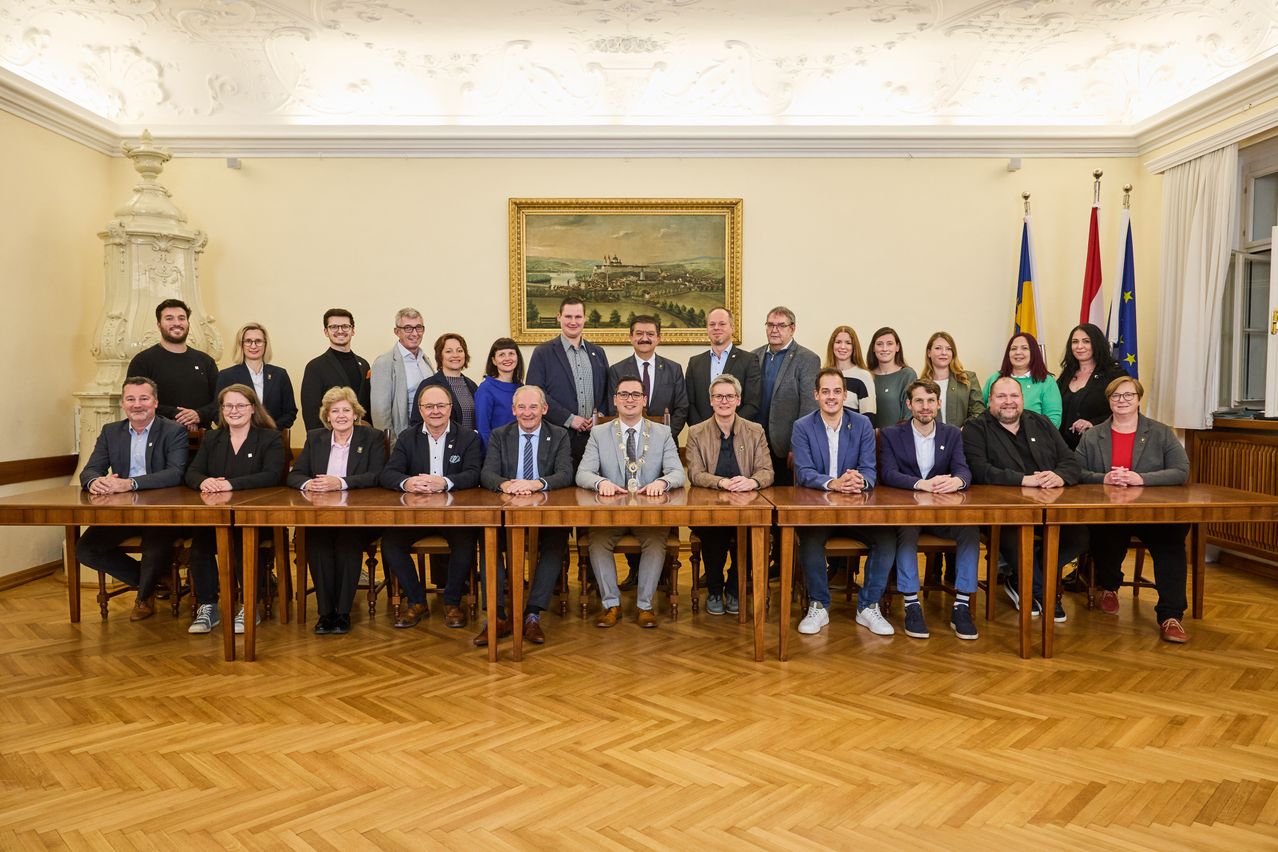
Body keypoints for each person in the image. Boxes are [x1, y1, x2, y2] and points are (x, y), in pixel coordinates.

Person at [1076, 377, 1192, 643]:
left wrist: (1142, 478)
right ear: (1109, 401)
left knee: (1172, 543)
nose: (1122, 401)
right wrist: (1102, 478)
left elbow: (1181, 470)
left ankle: (1170, 615)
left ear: (1139, 399)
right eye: (1116, 396)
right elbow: (1076, 470)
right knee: (1105, 534)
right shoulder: (1093, 436)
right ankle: (1109, 587)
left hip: (1155, 513)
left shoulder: (1161, 433)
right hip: (1111, 512)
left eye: (1128, 395)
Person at [963, 376, 1087, 621]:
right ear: (990, 401)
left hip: (1049, 504)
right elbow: (979, 470)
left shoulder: (1039, 422)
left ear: (1022, 399)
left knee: (1081, 536)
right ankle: (1044, 595)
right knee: (1017, 537)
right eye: (1001, 396)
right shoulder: (976, 429)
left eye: (1014, 396)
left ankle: (1020, 579)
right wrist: (1022, 479)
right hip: (1003, 511)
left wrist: (1059, 476)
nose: (1009, 402)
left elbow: (1070, 462)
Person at [791, 368, 895, 637]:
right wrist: (834, 483)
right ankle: (819, 605)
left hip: (856, 508)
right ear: (816, 395)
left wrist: (858, 481)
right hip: (819, 510)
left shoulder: (861, 424)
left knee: (886, 538)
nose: (831, 397)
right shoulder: (802, 426)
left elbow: (870, 469)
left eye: (837, 391)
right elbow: (803, 472)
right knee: (810, 539)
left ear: (845, 395)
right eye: (825, 391)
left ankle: (868, 606)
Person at [576, 376, 686, 629]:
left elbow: (677, 473)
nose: (629, 399)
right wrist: (599, 482)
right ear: (615, 400)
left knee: (656, 542)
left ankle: (644, 606)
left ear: (644, 400)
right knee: (598, 542)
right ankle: (610, 604)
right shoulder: (599, 433)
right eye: (623, 394)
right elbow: (583, 473)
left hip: (648, 513)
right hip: (610, 513)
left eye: (636, 394)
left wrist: (663, 483)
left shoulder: (662, 432)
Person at [76, 377, 188, 621]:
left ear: (155, 402)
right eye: (131, 399)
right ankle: (154, 580)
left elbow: (175, 473)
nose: (137, 405)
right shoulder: (110, 432)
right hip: (122, 511)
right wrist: (95, 482)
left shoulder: (173, 431)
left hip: (162, 510)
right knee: (86, 549)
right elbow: (90, 469)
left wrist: (130, 483)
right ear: (123, 403)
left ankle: (144, 597)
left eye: (144, 399)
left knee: (155, 546)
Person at [878, 379, 981, 641]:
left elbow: (963, 468)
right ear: (909, 404)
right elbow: (888, 473)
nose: (925, 407)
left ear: (938, 404)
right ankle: (912, 604)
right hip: (908, 514)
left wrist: (958, 481)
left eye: (931, 401)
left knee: (970, 530)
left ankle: (961, 605)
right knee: (906, 533)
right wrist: (921, 484)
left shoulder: (952, 434)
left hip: (941, 514)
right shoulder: (891, 434)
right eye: (919, 401)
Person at [379, 385, 483, 630]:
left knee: (466, 541)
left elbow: (474, 474)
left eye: (441, 406)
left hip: (454, 515)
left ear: (450, 408)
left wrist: (445, 482)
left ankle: (452, 602)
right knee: (391, 542)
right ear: (420, 410)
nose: (435, 411)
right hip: (416, 514)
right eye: (429, 406)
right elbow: (388, 473)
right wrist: (408, 482)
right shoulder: (407, 437)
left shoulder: (468, 437)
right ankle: (416, 601)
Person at [184, 384, 286, 635]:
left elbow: (272, 476)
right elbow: (192, 472)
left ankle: (250, 606)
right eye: (228, 405)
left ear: (253, 408)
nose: (234, 410)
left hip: (255, 516)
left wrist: (230, 484)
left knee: (243, 545)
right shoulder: (213, 438)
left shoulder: (269, 438)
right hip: (216, 516)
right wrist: (203, 481)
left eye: (240, 405)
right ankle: (209, 606)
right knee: (199, 547)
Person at [478, 385, 574, 646]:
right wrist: (507, 484)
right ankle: (497, 616)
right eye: (521, 407)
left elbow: (566, 474)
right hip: (508, 506)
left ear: (544, 409)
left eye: (533, 407)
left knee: (557, 539)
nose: (527, 412)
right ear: (513, 410)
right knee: (489, 541)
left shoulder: (559, 435)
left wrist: (535, 484)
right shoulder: (500, 435)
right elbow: (487, 474)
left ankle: (532, 613)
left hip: (545, 507)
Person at [287, 387, 387, 635]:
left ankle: (342, 613)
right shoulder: (315, 438)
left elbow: (377, 475)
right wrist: (309, 483)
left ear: (355, 414)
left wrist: (340, 482)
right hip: (320, 517)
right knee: (317, 542)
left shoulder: (372, 438)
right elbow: (296, 474)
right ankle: (325, 613)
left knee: (346, 543)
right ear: (327, 417)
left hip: (359, 518)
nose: (341, 415)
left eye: (346, 410)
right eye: (335, 411)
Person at [684, 374, 774, 616]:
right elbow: (695, 473)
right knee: (714, 535)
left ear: (738, 400)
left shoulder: (755, 431)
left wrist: (752, 481)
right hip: (709, 507)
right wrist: (721, 482)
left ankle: (735, 588)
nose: (724, 401)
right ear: (711, 401)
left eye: (729, 396)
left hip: (746, 506)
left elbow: (767, 471)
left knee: (750, 532)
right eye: (718, 396)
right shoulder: (696, 432)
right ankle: (714, 589)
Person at [525, 296, 609, 467]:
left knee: (593, 488)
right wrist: (570, 419)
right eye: (568, 316)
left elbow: (607, 390)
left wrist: (599, 416)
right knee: (561, 490)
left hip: (595, 438)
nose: (573, 321)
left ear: (585, 318)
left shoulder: (598, 352)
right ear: (559, 317)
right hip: (558, 436)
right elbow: (536, 394)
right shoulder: (543, 353)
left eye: (578, 317)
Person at [125, 299, 218, 430]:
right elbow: (136, 402)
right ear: (159, 324)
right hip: (159, 439)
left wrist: (198, 414)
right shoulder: (142, 361)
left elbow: (219, 401)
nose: (177, 323)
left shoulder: (205, 361)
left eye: (181, 318)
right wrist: (178, 416)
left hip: (203, 439)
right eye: (169, 318)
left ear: (188, 323)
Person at [753, 306, 820, 486]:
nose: (774, 330)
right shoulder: (754, 356)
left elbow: (809, 407)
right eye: (770, 325)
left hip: (785, 445)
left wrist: (796, 446)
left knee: (784, 497)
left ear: (792, 329)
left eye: (781, 325)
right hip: (755, 443)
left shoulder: (807, 359)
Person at [686, 306, 761, 427]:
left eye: (722, 324)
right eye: (712, 324)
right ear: (707, 328)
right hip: (703, 438)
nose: (716, 328)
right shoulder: (695, 363)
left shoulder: (749, 360)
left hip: (737, 435)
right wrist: (703, 430)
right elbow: (689, 404)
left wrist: (730, 428)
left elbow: (752, 403)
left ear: (732, 328)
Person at [1058, 322, 1130, 450]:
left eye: (1086, 341)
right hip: (1065, 449)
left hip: (1100, 446)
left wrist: (1093, 424)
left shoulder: (1114, 374)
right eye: (1075, 342)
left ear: (1096, 344)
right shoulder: (1066, 375)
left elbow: (1128, 409)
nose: (1079, 346)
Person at [300, 308, 372, 431]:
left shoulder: (364, 364)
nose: (340, 331)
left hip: (363, 438)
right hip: (331, 439)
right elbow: (311, 413)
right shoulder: (315, 367)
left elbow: (368, 404)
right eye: (334, 327)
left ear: (353, 330)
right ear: (326, 332)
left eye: (345, 326)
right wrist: (321, 442)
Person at [215, 323, 297, 430]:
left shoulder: (280, 375)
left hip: (272, 438)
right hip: (237, 439)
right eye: (248, 341)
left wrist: (272, 428)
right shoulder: (226, 375)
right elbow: (217, 412)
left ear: (265, 344)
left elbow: (290, 412)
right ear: (241, 345)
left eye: (258, 341)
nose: (253, 346)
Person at [370, 308, 434, 442]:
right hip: (403, 440)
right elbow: (380, 415)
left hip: (429, 437)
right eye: (408, 328)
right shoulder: (385, 363)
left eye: (418, 327)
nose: (415, 333)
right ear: (397, 331)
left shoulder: (425, 360)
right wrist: (393, 447)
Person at [982, 332, 1062, 428]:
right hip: (993, 436)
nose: (1018, 352)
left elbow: (1053, 420)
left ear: (1034, 353)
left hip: (1032, 439)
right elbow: (980, 409)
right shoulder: (995, 378)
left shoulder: (1047, 382)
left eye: (1024, 348)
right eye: (1013, 348)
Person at [409, 333, 479, 431]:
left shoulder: (472, 385)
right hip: (440, 444)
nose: (455, 355)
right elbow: (417, 423)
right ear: (440, 355)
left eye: (459, 350)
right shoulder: (428, 385)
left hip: (471, 444)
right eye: (448, 351)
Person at [919, 331, 985, 427]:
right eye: (938, 348)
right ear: (929, 353)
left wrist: (965, 430)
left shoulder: (968, 379)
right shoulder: (920, 385)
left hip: (963, 438)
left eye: (949, 349)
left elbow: (979, 411)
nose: (944, 353)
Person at [474, 337, 524, 448]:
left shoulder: (521, 388)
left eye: (511, 353)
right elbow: (483, 430)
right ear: (493, 361)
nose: (507, 358)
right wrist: (493, 457)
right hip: (497, 454)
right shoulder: (486, 389)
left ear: (517, 357)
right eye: (501, 355)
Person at [866, 326, 917, 429]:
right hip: (869, 439)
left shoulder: (907, 375)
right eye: (880, 344)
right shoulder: (866, 375)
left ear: (897, 347)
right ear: (873, 348)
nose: (884, 349)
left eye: (889, 344)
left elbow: (910, 414)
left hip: (898, 439)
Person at [824, 325, 876, 417]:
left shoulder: (864, 376)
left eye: (848, 343)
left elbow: (869, 415)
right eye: (838, 342)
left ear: (854, 347)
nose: (842, 346)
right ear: (832, 345)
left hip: (853, 431)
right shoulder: (823, 375)